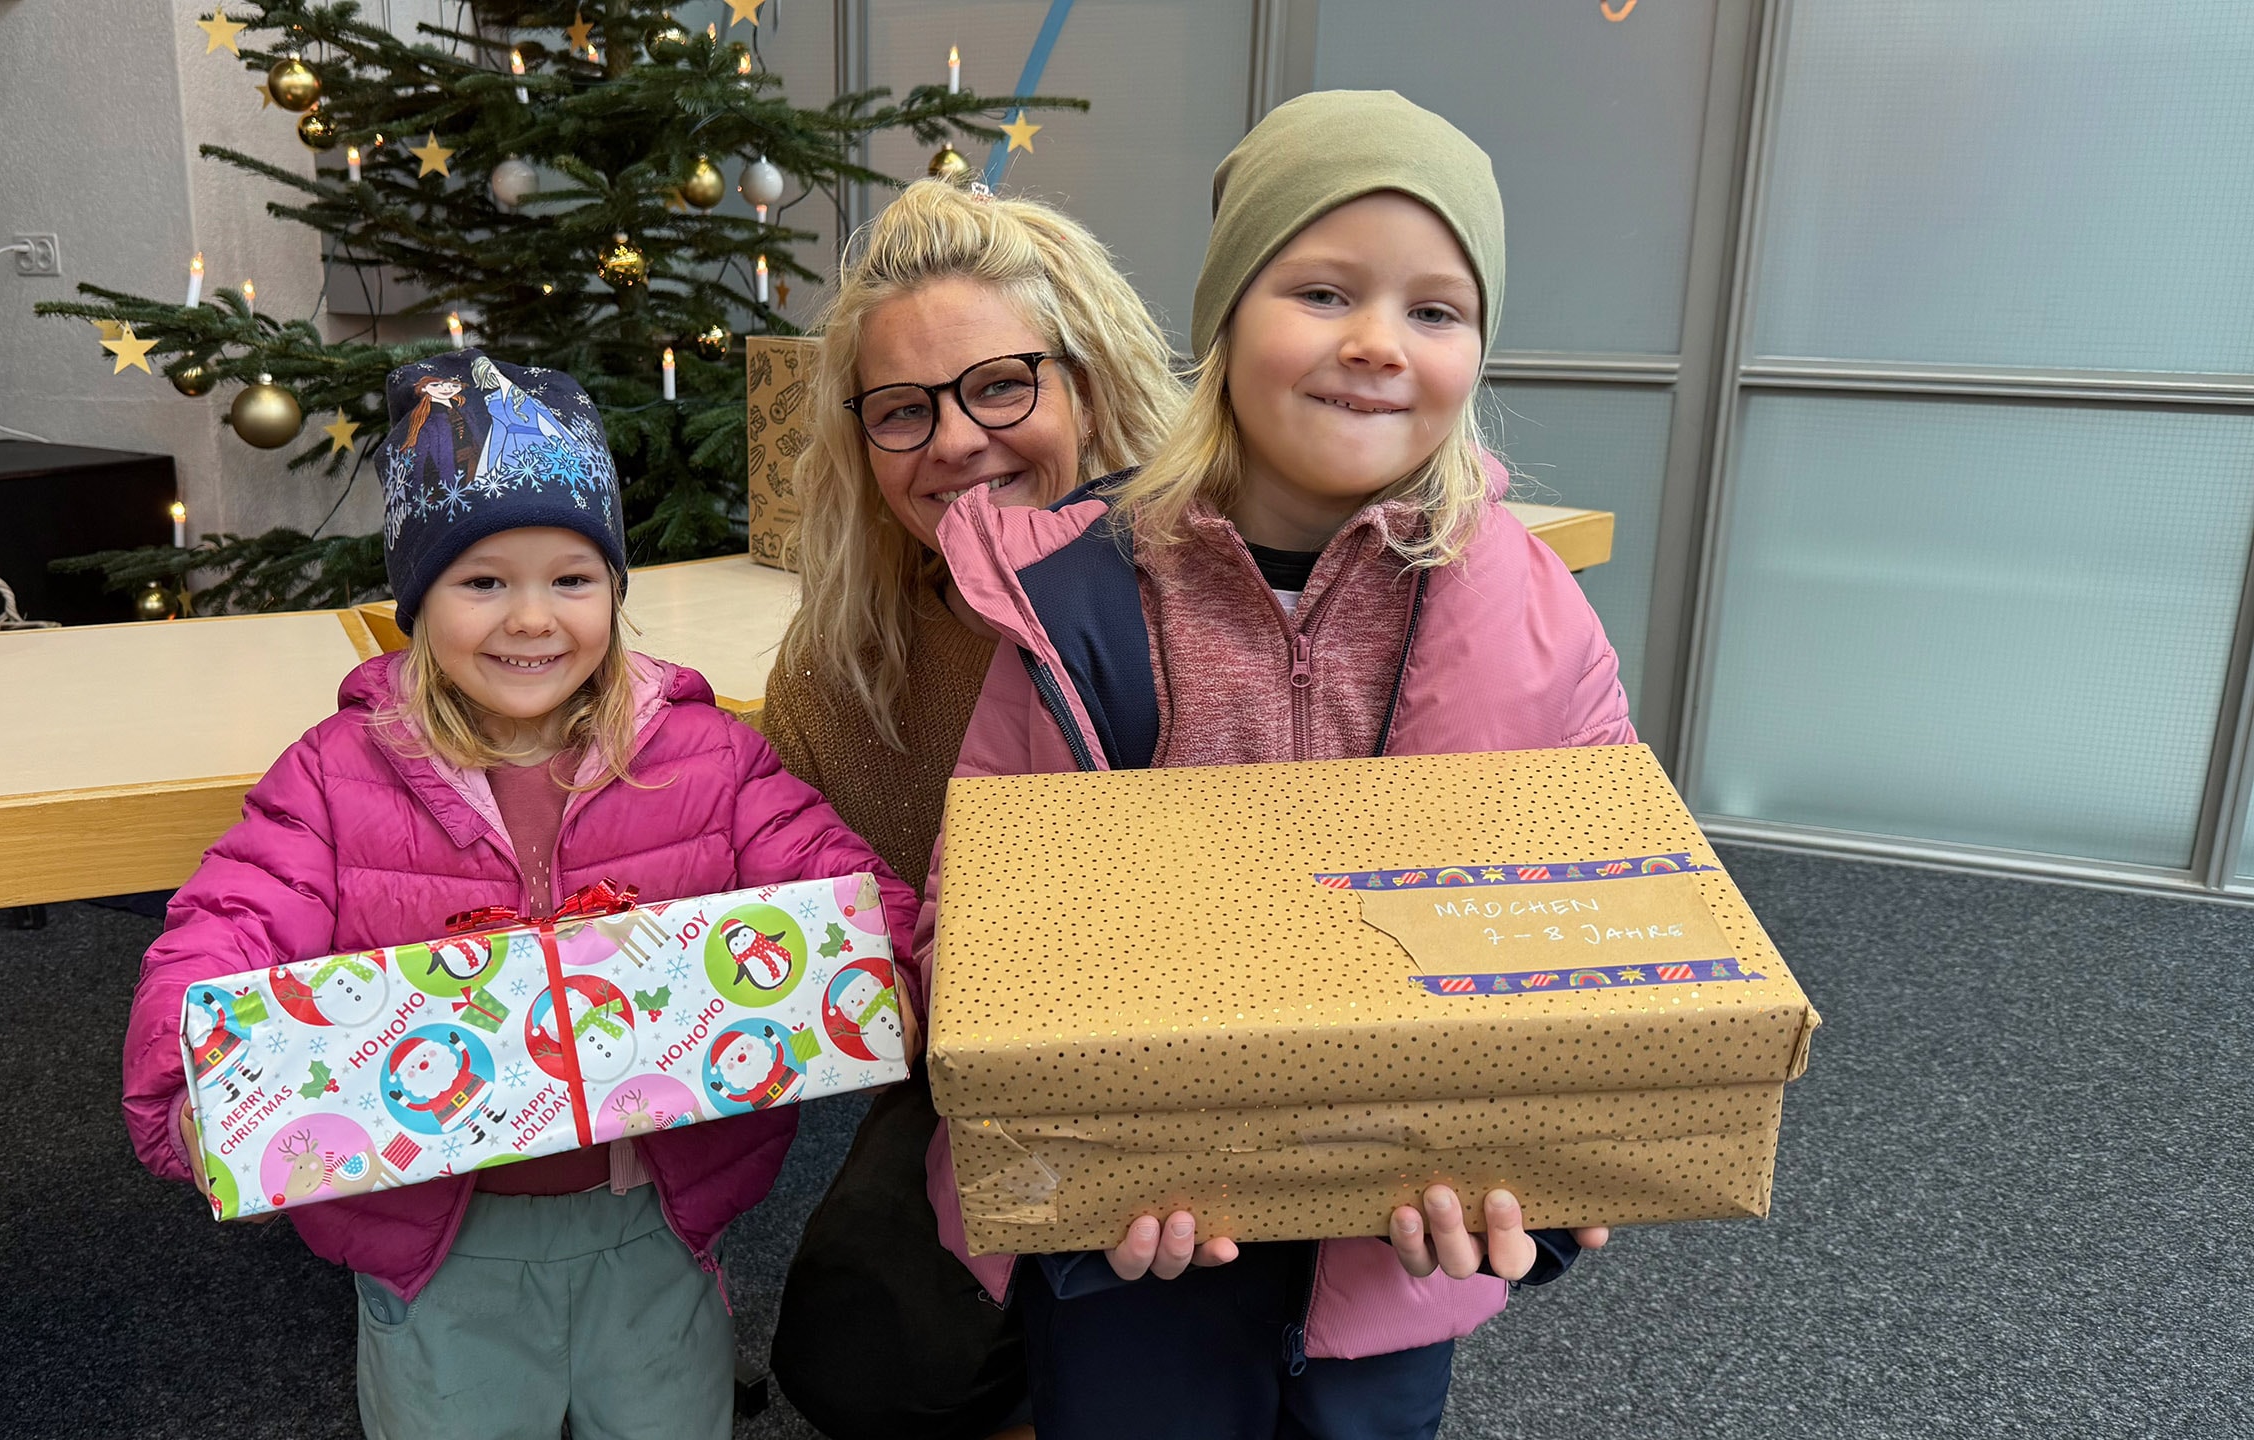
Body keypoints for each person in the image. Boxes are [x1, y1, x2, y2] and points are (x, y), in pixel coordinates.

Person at [913, 91, 1627, 1439]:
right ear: (1226, 319)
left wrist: (1560, 1147)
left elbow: (1609, 898)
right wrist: (1078, 1151)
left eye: (1436, 310)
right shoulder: (1082, 604)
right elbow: (984, 926)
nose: (1376, 344)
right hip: (1140, 1242)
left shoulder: (1529, 611)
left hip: (1402, 1241)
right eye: (1321, 289)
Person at [118, 351, 915, 1440]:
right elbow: (229, 921)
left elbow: (838, 881)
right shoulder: (337, 774)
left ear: (613, 593)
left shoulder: (707, 757)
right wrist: (189, 1077)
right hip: (438, 1238)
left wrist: (895, 973)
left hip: (655, 1215)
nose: (531, 620)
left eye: (571, 580)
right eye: (483, 581)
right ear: (417, 599)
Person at [760, 178, 1184, 1440]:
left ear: (1090, 383)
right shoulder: (849, 660)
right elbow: (785, 897)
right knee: (860, 1355)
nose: (953, 442)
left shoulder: (1200, 592)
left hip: (1215, 1058)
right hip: (980, 1065)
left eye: (1001, 386)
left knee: (1183, 1354)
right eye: (902, 411)